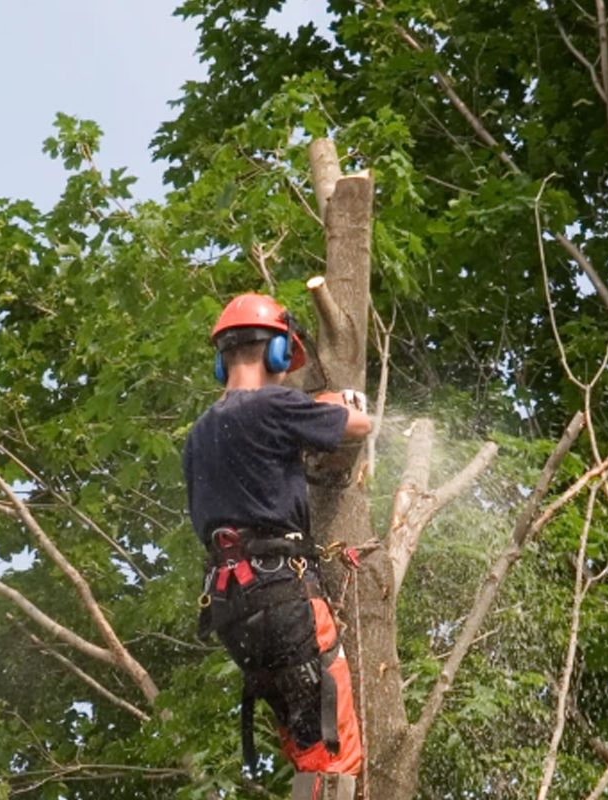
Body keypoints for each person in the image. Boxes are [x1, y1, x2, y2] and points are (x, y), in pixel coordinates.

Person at [183, 293, 371, 796]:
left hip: (230, 608)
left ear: (222, 359)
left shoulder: (200, 432)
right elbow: (359, 425)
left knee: (303, 739)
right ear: (278, 354)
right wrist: (335, 404)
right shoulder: (277, 403)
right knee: (334, 747)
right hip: (281, 592)